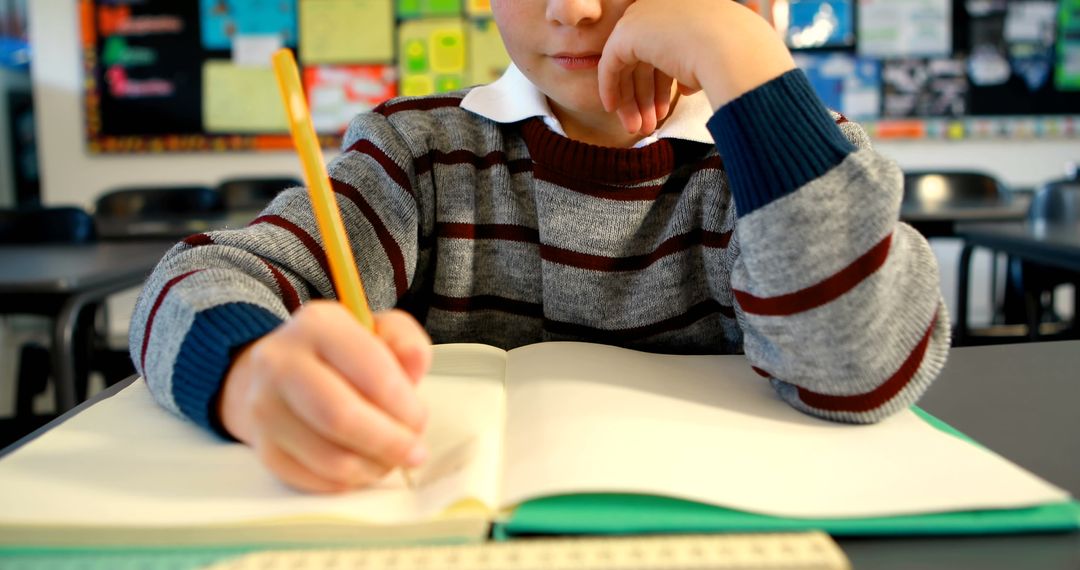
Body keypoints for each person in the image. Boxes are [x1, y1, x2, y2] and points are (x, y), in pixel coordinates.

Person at [130, 0, 949, 493]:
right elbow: (196, 278)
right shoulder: (418, 154)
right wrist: (247, 372)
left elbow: (858, 368)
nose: (575, 7)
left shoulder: (782, 161)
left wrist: (741, 55)